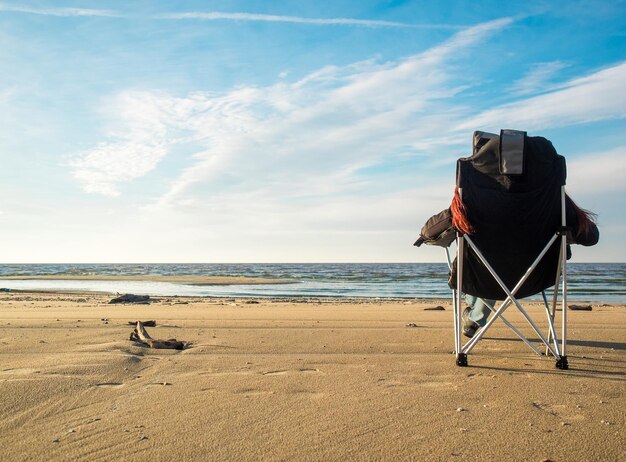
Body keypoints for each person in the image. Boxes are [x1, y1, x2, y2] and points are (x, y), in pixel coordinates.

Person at [416, 192, 599, 338]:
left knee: (489, 266)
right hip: (535, 277)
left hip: (485, 274)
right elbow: (591, 237)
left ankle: (473, 317)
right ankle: (473, 316)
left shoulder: (473, 195)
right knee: (497, 268)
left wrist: (426, 235)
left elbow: (429, 231)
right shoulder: (551, 197)